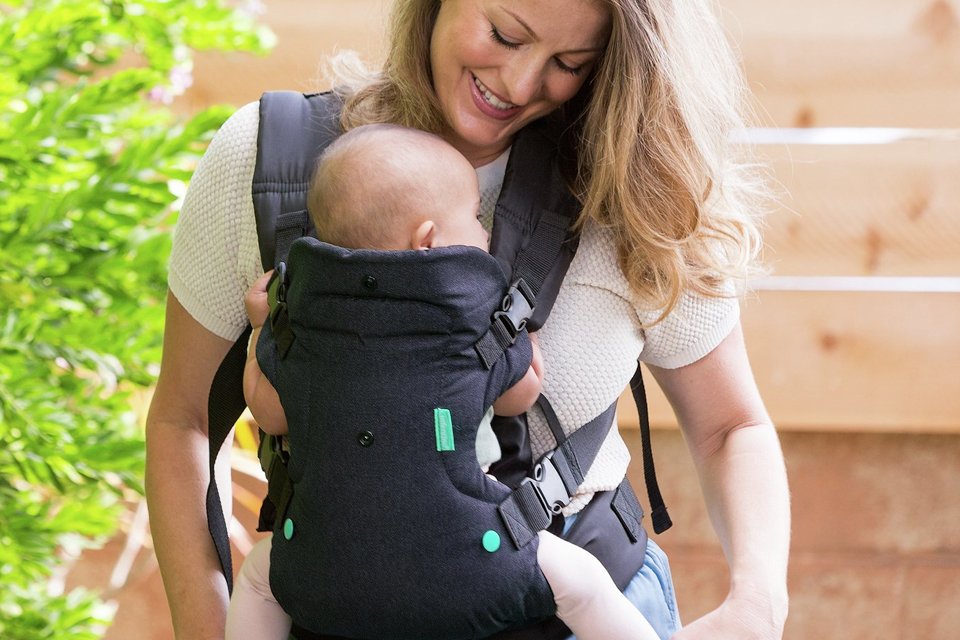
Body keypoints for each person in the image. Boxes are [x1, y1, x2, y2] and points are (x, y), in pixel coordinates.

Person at [145, 1, 791, 639]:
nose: (519, 84)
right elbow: (185, 422)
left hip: (578, 608)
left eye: (569, 61)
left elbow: (731, 427)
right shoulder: (272, 163)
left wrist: (758, 604)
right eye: (505, 33)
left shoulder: (639, 185)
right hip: (334, 607)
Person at [226, 122, 660, 640]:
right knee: (582, 585)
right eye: (475, 218)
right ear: (429, 240)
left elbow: (269, 413)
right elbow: (518, 399)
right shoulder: (472, 317)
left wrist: (260, 329)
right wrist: (525, 343)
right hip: (471, 555)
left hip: (327, 562)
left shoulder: (301, 320)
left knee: (255, 581)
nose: (482, 234)